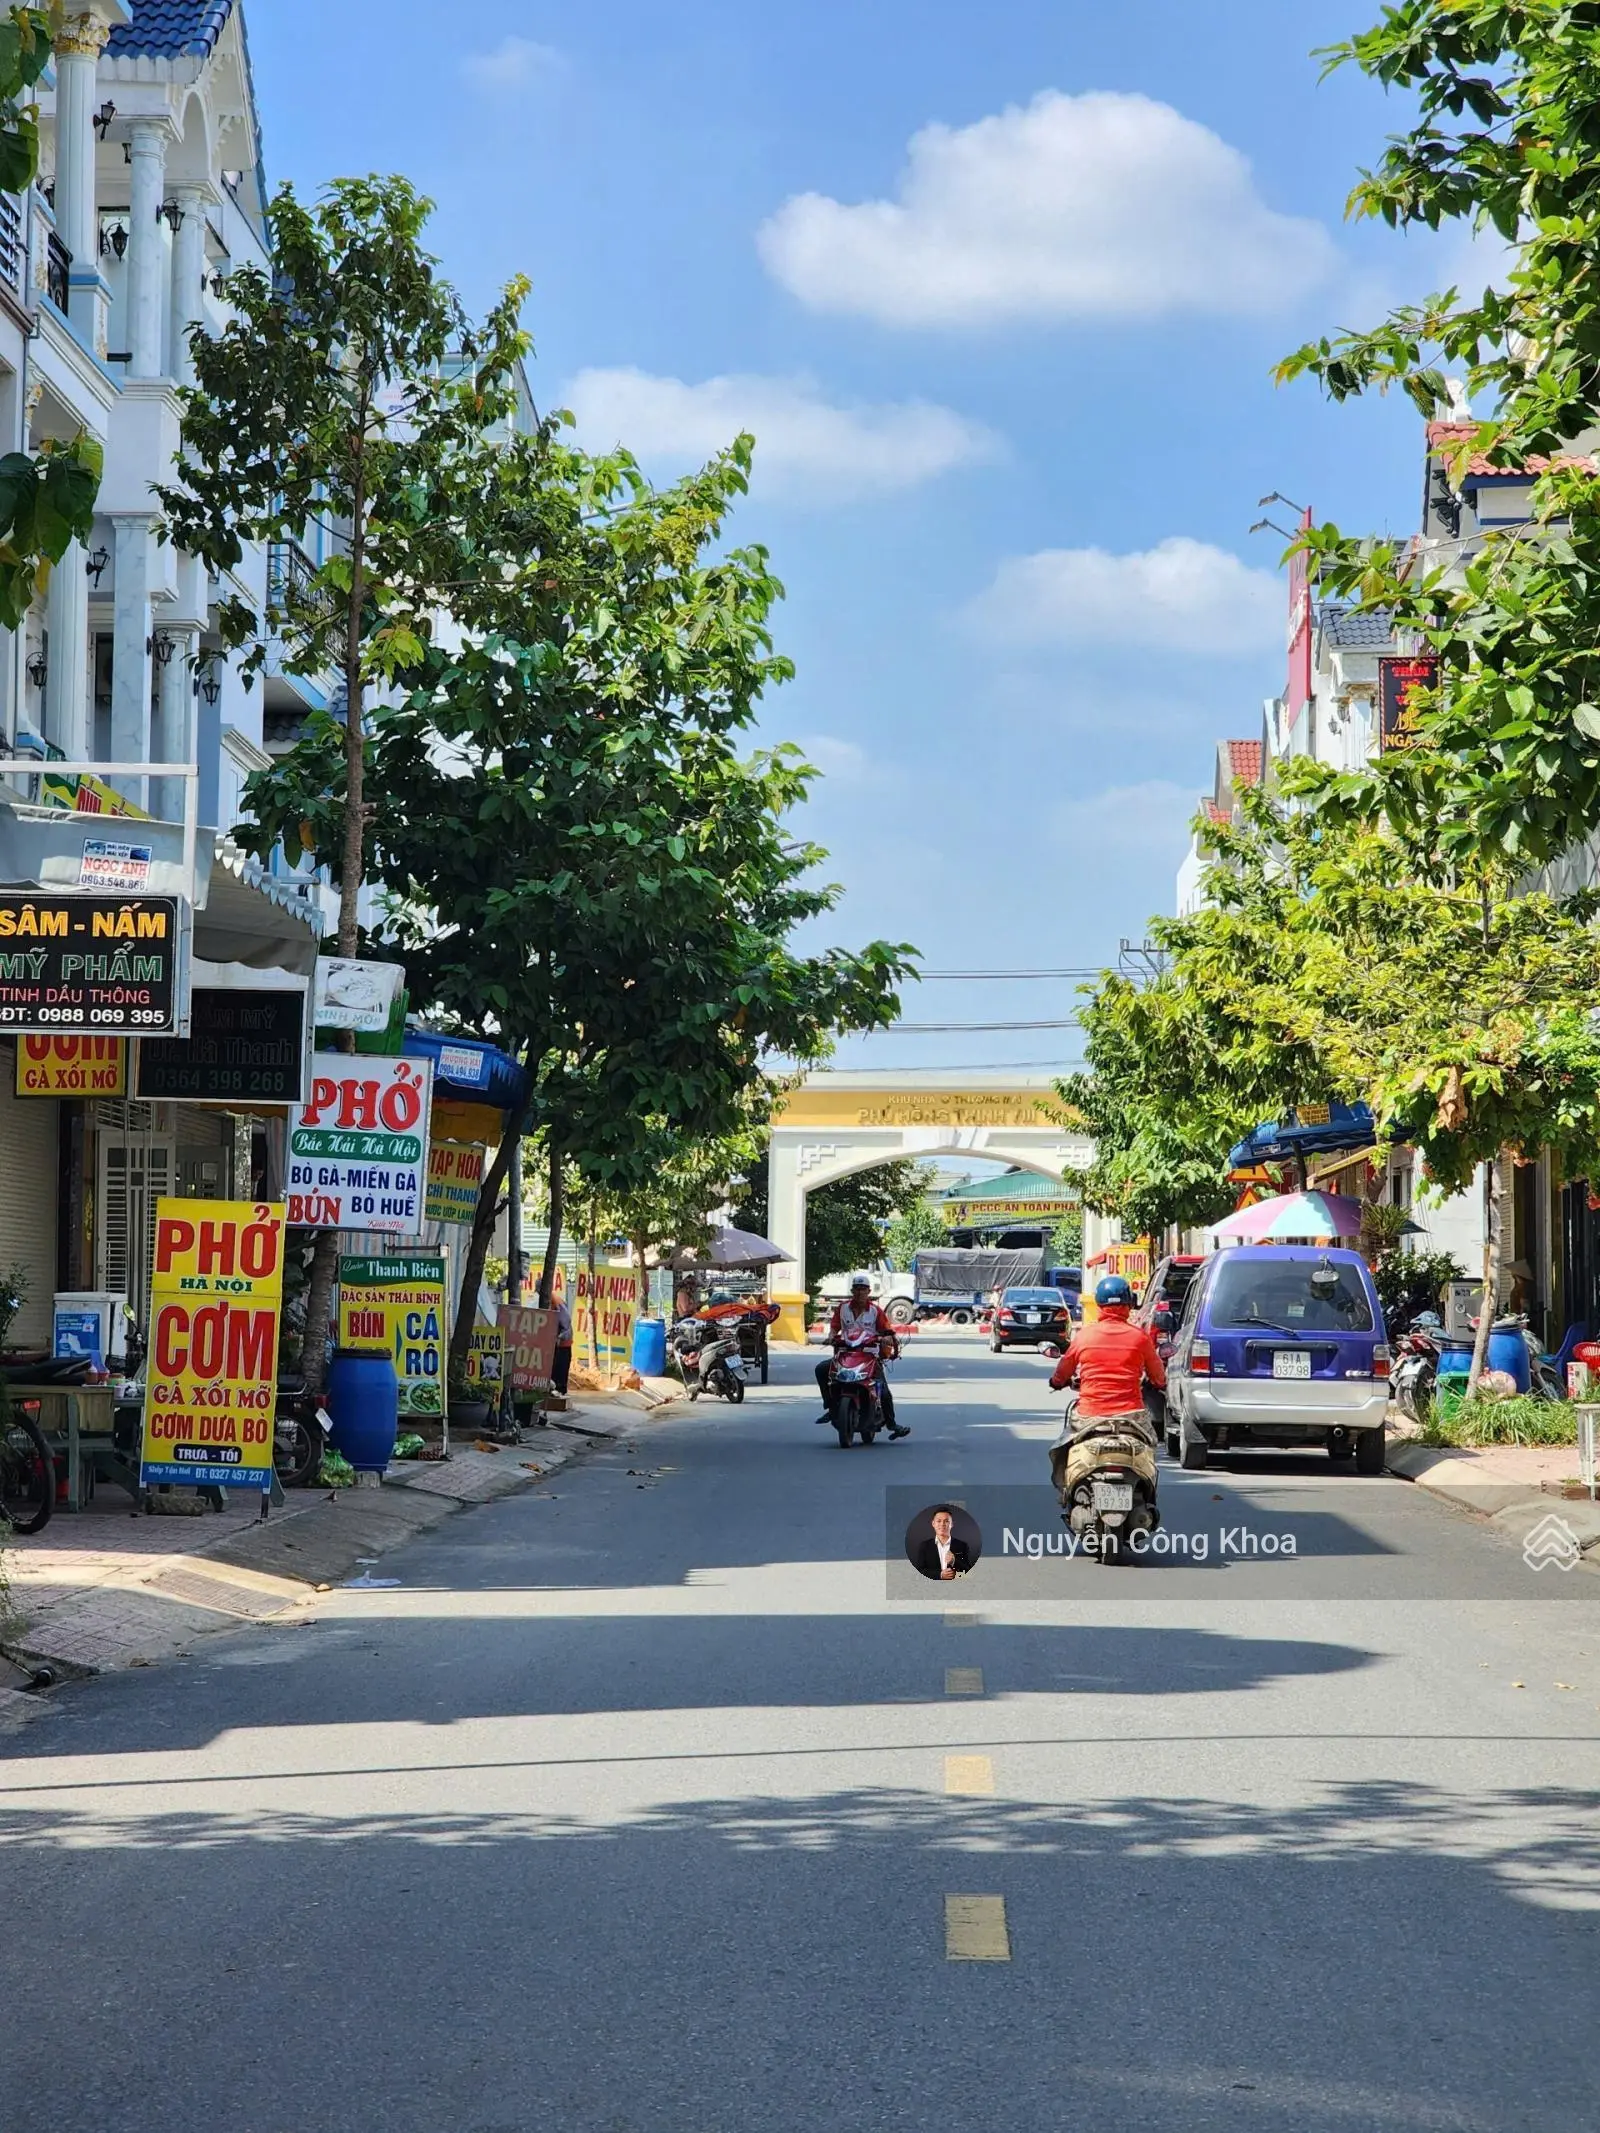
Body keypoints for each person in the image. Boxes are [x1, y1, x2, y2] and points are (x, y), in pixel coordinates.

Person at [1048, 1274, 1165, 1434]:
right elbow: (1158, 1378)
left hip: (1089, 1415)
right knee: (1150, 1443)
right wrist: (1159, 1384)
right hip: (1131, 1416)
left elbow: (1063, 1371)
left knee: (1065, 1446)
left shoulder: (1084, 1335)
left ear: (1098, 1304)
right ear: (1129, 1304)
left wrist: (1057, 1382)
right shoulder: (1140, 1337)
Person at [815, 1274, 909, 1437]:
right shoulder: (842, 1308)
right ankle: (830, 1406)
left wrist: (886, 1337)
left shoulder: (875, 1311)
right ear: (852, 1291)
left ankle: (892, 1424)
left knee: (884, 1392)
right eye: (857, 1289)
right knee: (821, 1369)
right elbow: (834, 1326)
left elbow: (886, 1331)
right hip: (845, 1355)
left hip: (869, 1357)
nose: (859, 1293)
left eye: (863, 1289)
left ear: (868, 1291)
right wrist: (831, 1336)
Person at [914, 1506, 971, 1581]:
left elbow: (969, 1573)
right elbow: (919, 1571)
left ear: (952, 1524)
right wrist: (939, 1574)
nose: (942, 1524)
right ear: (933, 1523)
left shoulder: (962, 1546)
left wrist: (954, 1561)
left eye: (946, 1521)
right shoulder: (924, 1546)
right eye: (939, 1521)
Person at [550, 1291, 573, 1398]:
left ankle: (559, 1390)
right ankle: (555, 1389)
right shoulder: (549, 1299)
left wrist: (560, 1336)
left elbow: (566, 1321)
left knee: (560, 1367)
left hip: (562, 1342)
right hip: (554, 1341)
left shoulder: (556, 1301)